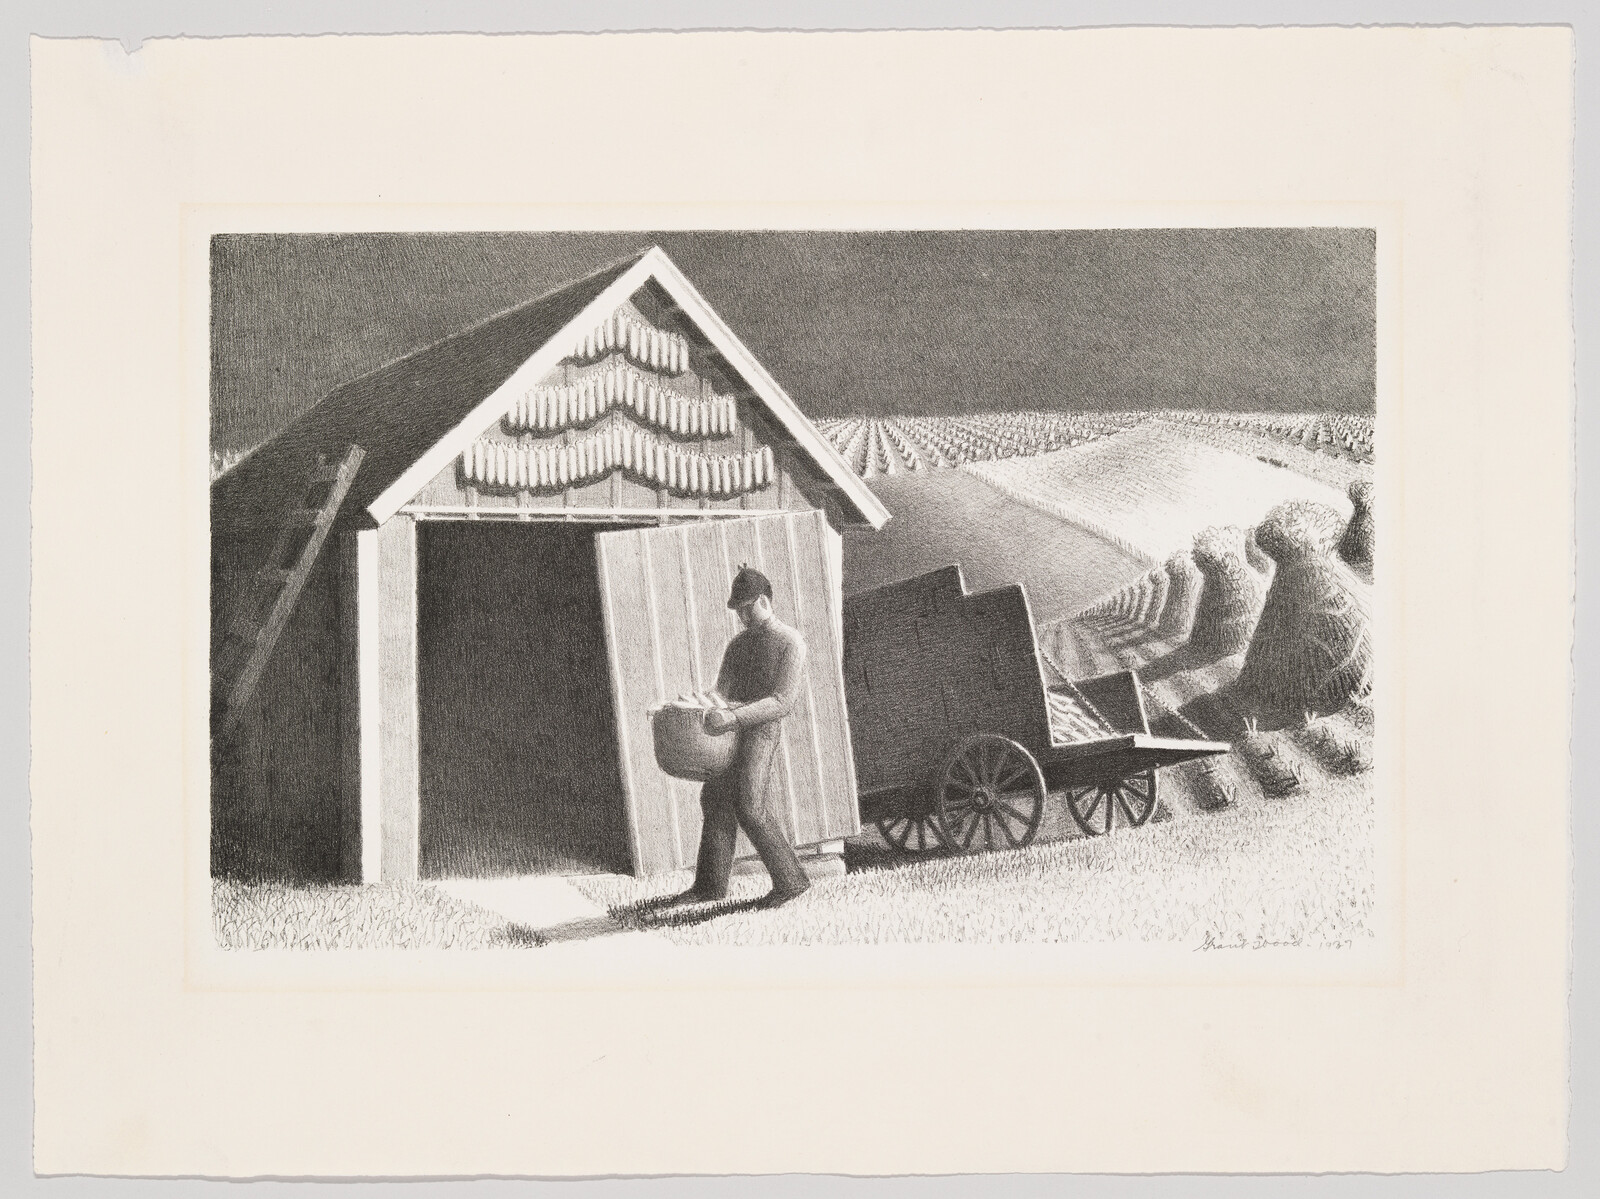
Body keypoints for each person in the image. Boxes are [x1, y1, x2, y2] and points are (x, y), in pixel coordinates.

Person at [674, 566, 812, 909]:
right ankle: (709, 887)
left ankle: (792, 882)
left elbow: (781, 702)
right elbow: (721, 692)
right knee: (714, 799)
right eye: (737, 611)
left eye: (746, 608)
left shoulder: (790, 641)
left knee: (750, 806)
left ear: (763, 600)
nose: (742, 617)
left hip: (761, 734)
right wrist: (692, 704)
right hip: (728, 735)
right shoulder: (736, 646)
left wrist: (733, 716)